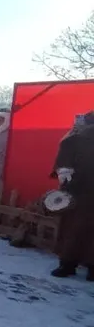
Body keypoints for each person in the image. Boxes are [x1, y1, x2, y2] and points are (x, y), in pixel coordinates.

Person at [50, 112, 94, 279]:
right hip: (79, 190)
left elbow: (63, 163)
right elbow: (64, 164)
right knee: (77, 228)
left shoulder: (73, 139)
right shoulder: (74, 140)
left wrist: (64, 174)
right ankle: (87, 267)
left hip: (77, 190)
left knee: (72, 228)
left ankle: (68, 264)